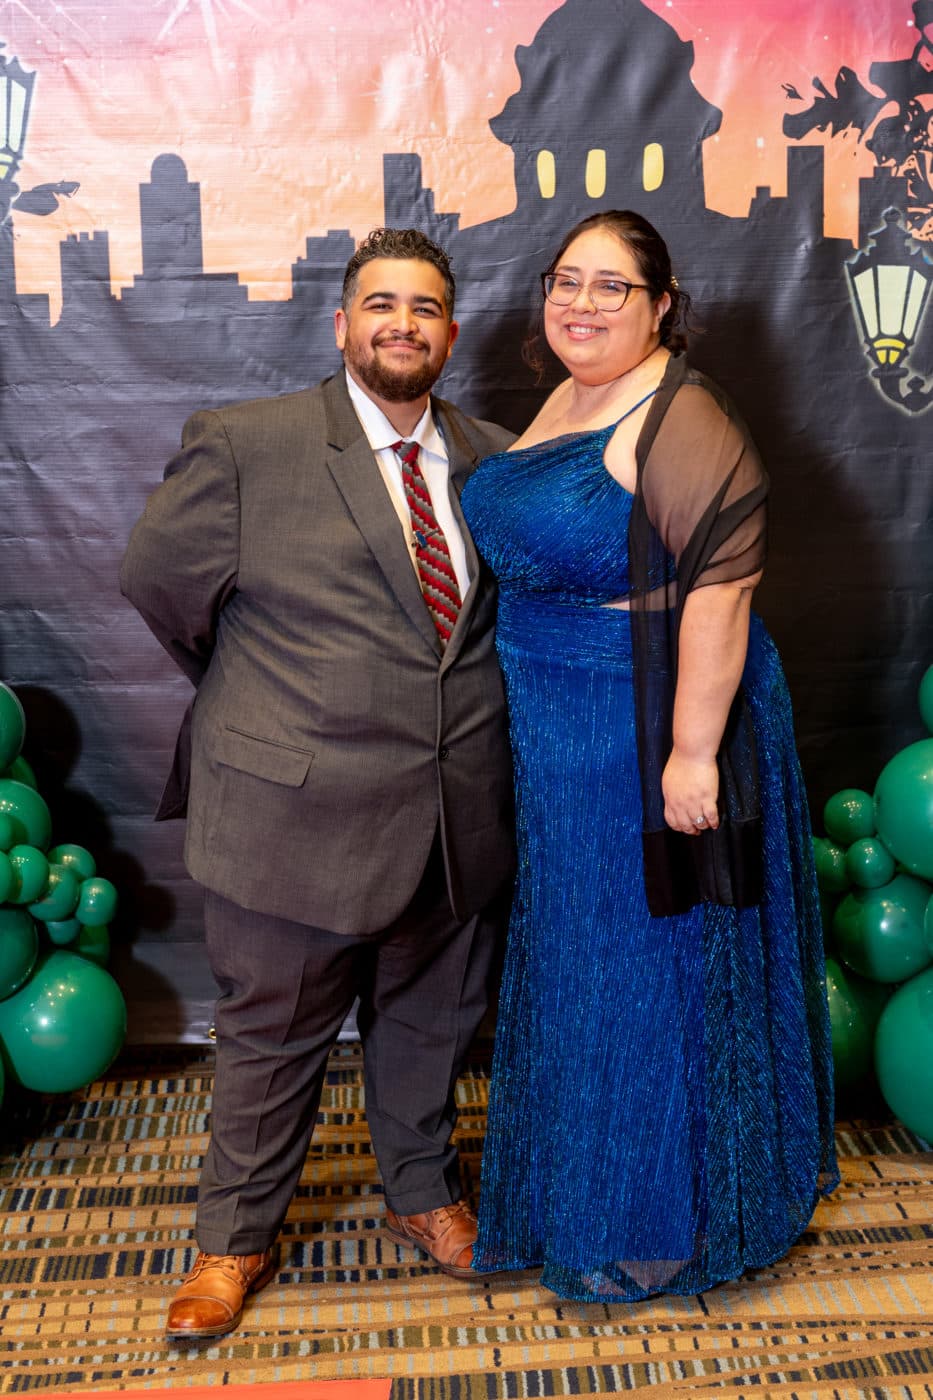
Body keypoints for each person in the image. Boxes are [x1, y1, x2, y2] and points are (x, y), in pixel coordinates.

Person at [120, 227, 516, 1339]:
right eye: (381, 304)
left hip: (455, 810)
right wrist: (267, 696)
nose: (403, 324)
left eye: (425, 307)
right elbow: (159, 584)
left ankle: (423, 1193)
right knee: (271, 1039)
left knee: (432, 1022)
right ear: (342, 324)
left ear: (450, 333)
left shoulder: (496, 458)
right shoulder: (249, 444)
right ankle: (232, 1241)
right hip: (292, 813)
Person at [460, 210, 839, 1302]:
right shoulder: (573, 395)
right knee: (585, 962)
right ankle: (583, 1194)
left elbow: (723, 587)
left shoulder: (682, 409)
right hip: (555, 726)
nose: (581, 303)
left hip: (646, 723)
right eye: (565, 281)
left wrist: (691, 754)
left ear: (662, 304)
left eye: (611, 286)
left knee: (653, 964)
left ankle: (662, 1222)